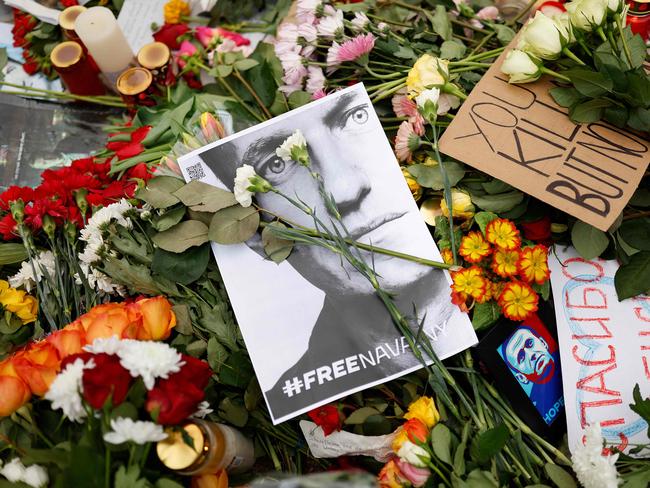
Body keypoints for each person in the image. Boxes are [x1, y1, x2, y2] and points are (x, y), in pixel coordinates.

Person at [188, 85, 473, 421]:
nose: (345, 189)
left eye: (356, 117)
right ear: (255, 234)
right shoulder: (297, 405)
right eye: (277, 163)